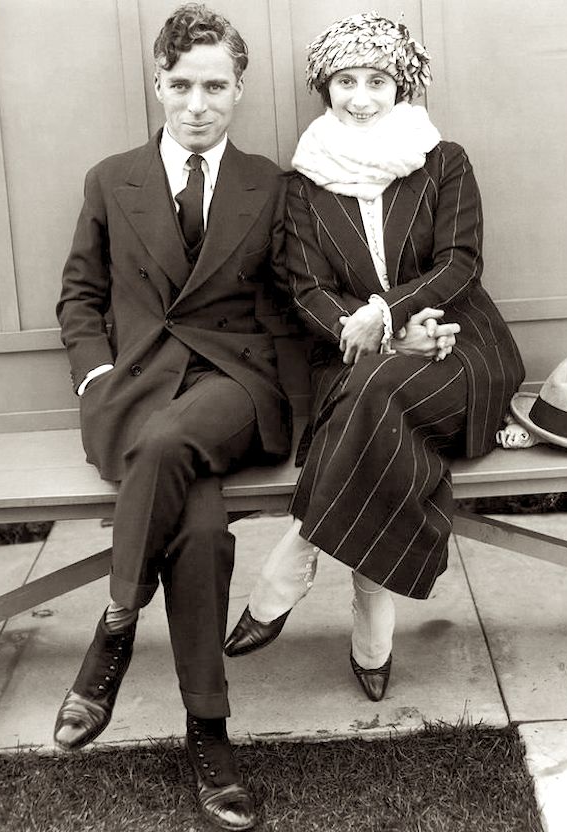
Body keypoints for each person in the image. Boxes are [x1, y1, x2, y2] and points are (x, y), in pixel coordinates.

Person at [224, 11, 525, 703]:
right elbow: (306, 288)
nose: (360, 97)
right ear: (324, 87)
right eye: (345, 81)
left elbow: (459, 263)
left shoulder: (444, 160)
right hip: (357, 359)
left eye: (377, 81)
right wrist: (389, 338)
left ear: (402, 87)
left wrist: (387, 315)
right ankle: (371, 624)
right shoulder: (303, 184)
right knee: (375, 407)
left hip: (458, 349)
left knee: (369, 398)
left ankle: (291, 561)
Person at [54, 5, 290, 830]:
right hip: (135, 386)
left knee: (167, 440)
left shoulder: (269, 183)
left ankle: (114, 629)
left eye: (215, 86)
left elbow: (294, 298)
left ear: (239, 89)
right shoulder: (110, 178)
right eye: (183, 84)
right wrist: (95, 375)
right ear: (159, 83)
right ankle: (209, 732)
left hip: (234, 383)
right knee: (200, 526)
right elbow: (80, 296)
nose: (198, 104)